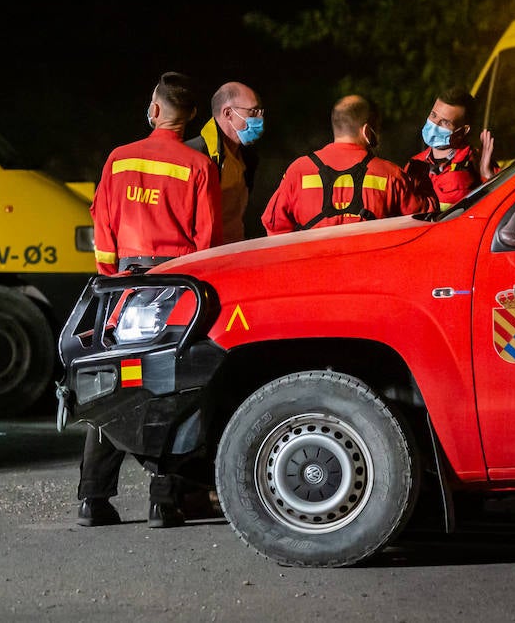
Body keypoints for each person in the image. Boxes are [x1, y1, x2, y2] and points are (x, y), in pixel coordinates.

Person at [79, 71, 222, 530]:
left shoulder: (119, 161)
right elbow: (209, 242)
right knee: (170, 392)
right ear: (193, 118)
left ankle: (93, 500)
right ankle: (164, 503)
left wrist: (111, 276)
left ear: (155, 110)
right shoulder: (200, 167)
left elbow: (102, 225)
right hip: (175, 291)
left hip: (122, 291)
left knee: (110, 388)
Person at [261, 94, 426, 233]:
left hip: (314, 267)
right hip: (371, 267)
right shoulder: (390, 173)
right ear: (367, 131)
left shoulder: (299, 170)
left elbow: (273, 223)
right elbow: (418, 222)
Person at [186, 81, 263, 242]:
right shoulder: (194, 156)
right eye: (253, 111)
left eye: (260, 111)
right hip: (202, 257)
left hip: (233, 252)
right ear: (228, 113)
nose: (260, 118)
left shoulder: (247, 157)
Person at [406, 86, 497, 213]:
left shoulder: (476, 162)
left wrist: (487, 176)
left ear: (463, 130)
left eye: (445, 122)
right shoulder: (414, 164)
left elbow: (499, 209)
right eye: (433, 115)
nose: (435, 125)